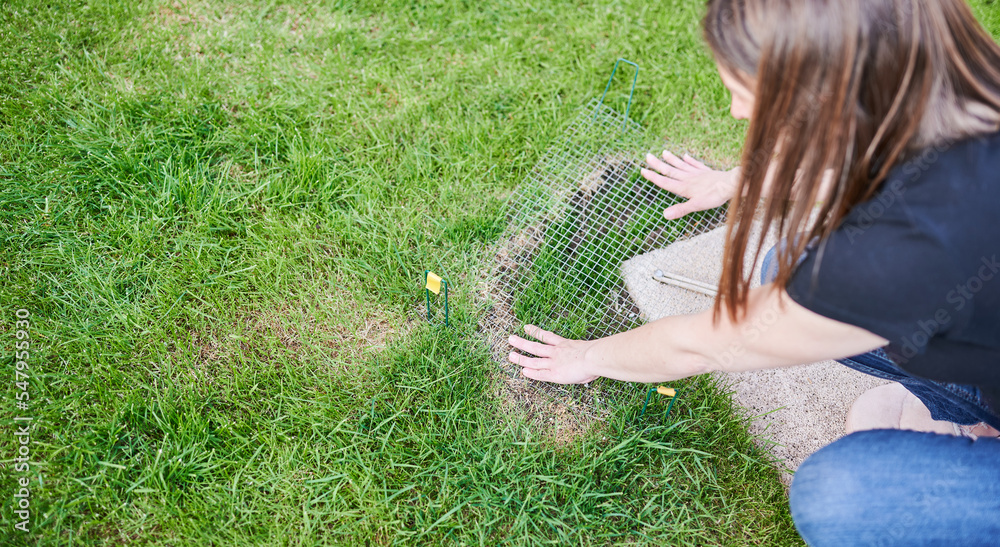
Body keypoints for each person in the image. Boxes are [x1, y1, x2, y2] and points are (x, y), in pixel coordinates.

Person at [507, 0, 1000, 544]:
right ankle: (979, 412)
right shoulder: (965, 95)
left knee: (840, 498)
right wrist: (736, 181)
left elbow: (702, 345)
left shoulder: (898, 252)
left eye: (749, 92)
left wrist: (589, 356)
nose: (738, 111)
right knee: (782, 266)